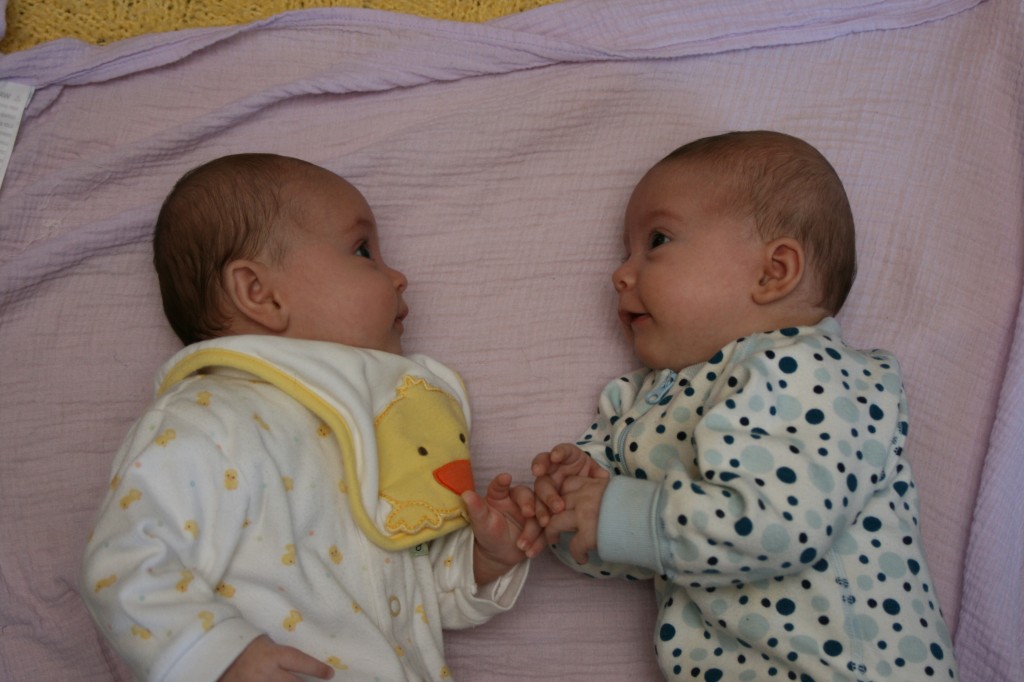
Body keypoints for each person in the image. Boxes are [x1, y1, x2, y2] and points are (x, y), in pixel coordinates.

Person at [80, 153, 544, 682]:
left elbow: (414, 597)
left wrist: (481, 559)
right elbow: (124, 559)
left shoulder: (377, 424)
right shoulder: (208, 419)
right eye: (363, 250)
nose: (399, 277)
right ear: (259, 294)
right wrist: (215, 656)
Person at [530, 131, 959, 681]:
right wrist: (572, 506)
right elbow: (644, 549)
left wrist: (621, 512)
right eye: (624, 252)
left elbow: (782, 524)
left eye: (657, 240)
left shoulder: (810, 371)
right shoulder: (645, 402)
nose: (620, 274)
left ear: (773, 271)